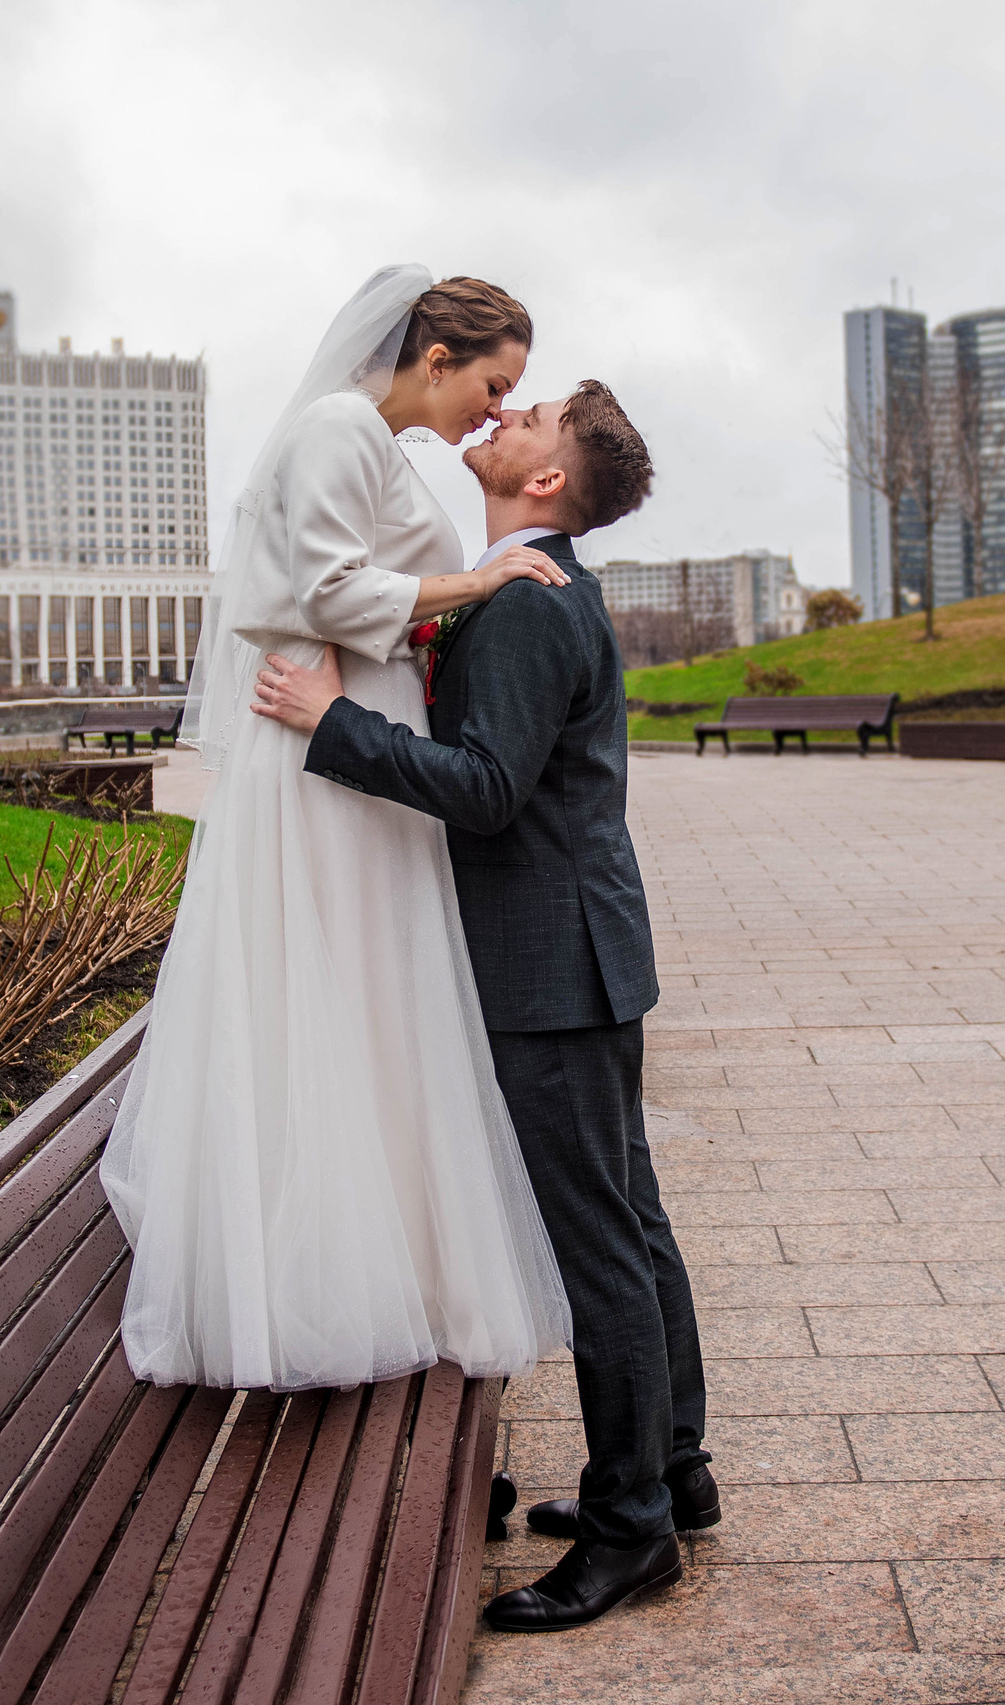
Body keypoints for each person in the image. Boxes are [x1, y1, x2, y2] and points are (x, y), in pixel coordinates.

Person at [251, 381, 715, 1634]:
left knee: (600, 1240)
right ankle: (674, 1470)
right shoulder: (527, 579)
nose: (508, 418)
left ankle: (631, 1534)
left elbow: (488, 789)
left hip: (545, 966)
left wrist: (329, 722)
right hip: (585, 947)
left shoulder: (521, 601)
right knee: (633, 1216)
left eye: (534, 417)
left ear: (549, 478)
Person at [100, 267, 575, 1395]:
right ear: (437, 357)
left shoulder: (372, 443)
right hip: (323, 758)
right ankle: (329, 1272)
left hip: (351, 744)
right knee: (338, 986)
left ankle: (388, 1258)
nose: (498, 411)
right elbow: (322, 586)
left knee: (370, 992)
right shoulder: (337, 428)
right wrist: (479, 580)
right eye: (495, 383)